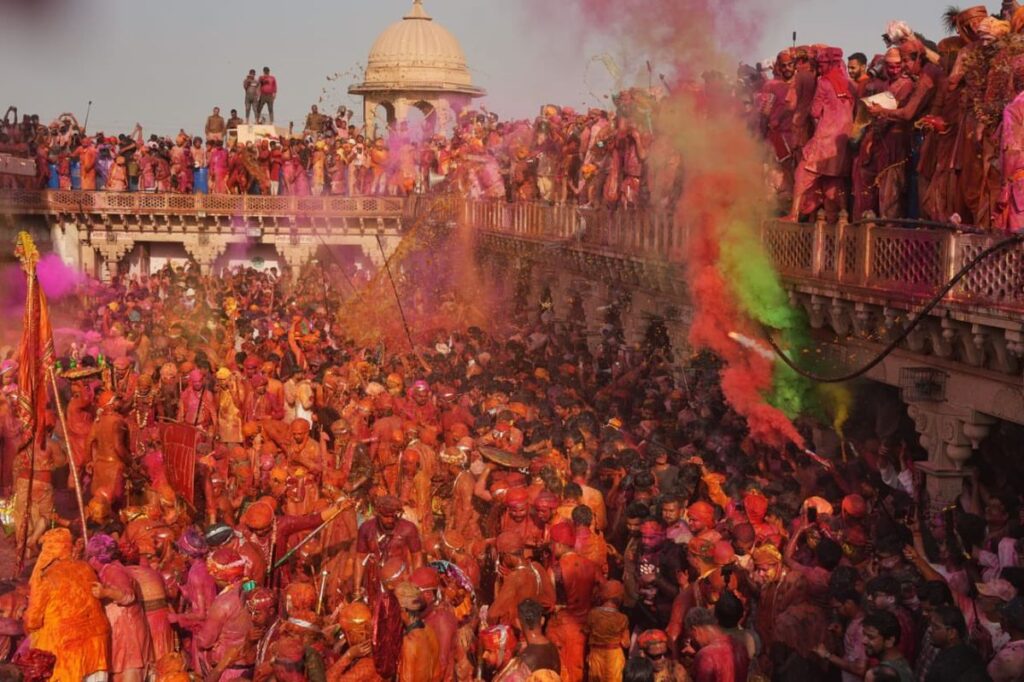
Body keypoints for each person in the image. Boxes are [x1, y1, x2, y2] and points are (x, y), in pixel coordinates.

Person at [23, 529, 110, 682]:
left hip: (65, 649)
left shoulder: (46, 577)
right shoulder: (86, 568)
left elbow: (33, 621)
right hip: (96, 645)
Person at [925, 605, 990, 682]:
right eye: (930, 624)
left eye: (935, 627)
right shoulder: (971, 653)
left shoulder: (945, 667)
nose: (929, 630)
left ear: (952, 633)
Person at [685, 607, 749, 682]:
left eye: (692, 638)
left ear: (695, 630)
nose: (695, 642)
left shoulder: (706, 656)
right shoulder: (740, 646)